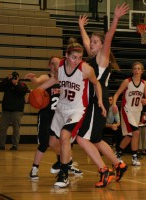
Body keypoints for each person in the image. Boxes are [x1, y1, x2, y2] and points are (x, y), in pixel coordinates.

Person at [38, 38, 106, 188]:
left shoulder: (86, 69)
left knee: (64, 135)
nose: (77, 61)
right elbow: (54, 79)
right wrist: (38, 90)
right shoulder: (60, 67)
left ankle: (63, 174)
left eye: (80, 58)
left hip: (77, 109)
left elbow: (96, 83)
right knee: (52, 142)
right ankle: (67, 161)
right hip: (61, 108)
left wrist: (100, 100)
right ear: (67, 56)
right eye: (74, 57)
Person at [78, 2, 129, 187]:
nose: (91, 44)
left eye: (95, 42)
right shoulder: (93, 56)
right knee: (96, 139)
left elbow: (108, 37)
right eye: (91, 42)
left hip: (96, 101)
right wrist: (81, 27)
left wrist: (115, 19)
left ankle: (103, 170)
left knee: (81, 138)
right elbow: (85, 41)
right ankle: (119, 164)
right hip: (94, 101)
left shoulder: (102, 58)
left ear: (101, 46)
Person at [25, 56, 82, 180]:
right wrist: (34, 80)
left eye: (57, 64)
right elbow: (38, 81)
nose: (55, 66)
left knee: (64, 142)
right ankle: (35, 168)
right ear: (49, 66)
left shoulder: (64, 78)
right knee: (45, 142)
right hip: (46, 115)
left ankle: (66, 164)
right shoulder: (47, 77)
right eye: (52, 64)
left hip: (61, 115)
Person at [112, 62, 146, 166]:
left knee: (130, 136)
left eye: (139, 69)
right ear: (132, 71)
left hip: (137, 112)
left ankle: (118, 153)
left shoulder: (144, 84)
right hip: (126, 110)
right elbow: (116, 94)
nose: (137, 70)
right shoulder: (127, 82)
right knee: (136, 132)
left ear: (142, 71)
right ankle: (134, 157)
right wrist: (114, 104)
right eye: (135, 69)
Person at [0, 71, 29, 151]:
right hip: (6, 110)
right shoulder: (7, 84)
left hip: (17, 111)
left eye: (16, 77)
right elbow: (0, 86)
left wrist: (16, 84)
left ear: (18, 78)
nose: (14, 78)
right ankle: (1, 145)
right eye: (13, 77)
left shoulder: (22, 85)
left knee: (16, 129)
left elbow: (23, 91)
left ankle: (15, 145)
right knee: (2, 128)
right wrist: (7, 79)